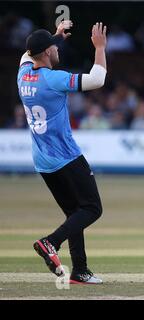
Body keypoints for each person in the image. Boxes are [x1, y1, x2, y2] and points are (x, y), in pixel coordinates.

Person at [17, 21, 108, 284]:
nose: (58, 50)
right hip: (66, 156)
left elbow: (27, 54)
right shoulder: (53, 79)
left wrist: (54, 36)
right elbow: (97, 79)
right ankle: (50, 242)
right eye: (54, 47)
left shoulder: (23, 74)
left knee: (74, 213)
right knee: (92, 209)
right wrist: (100, 48)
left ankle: (80, 270)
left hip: (42, 160)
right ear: (47, 52)